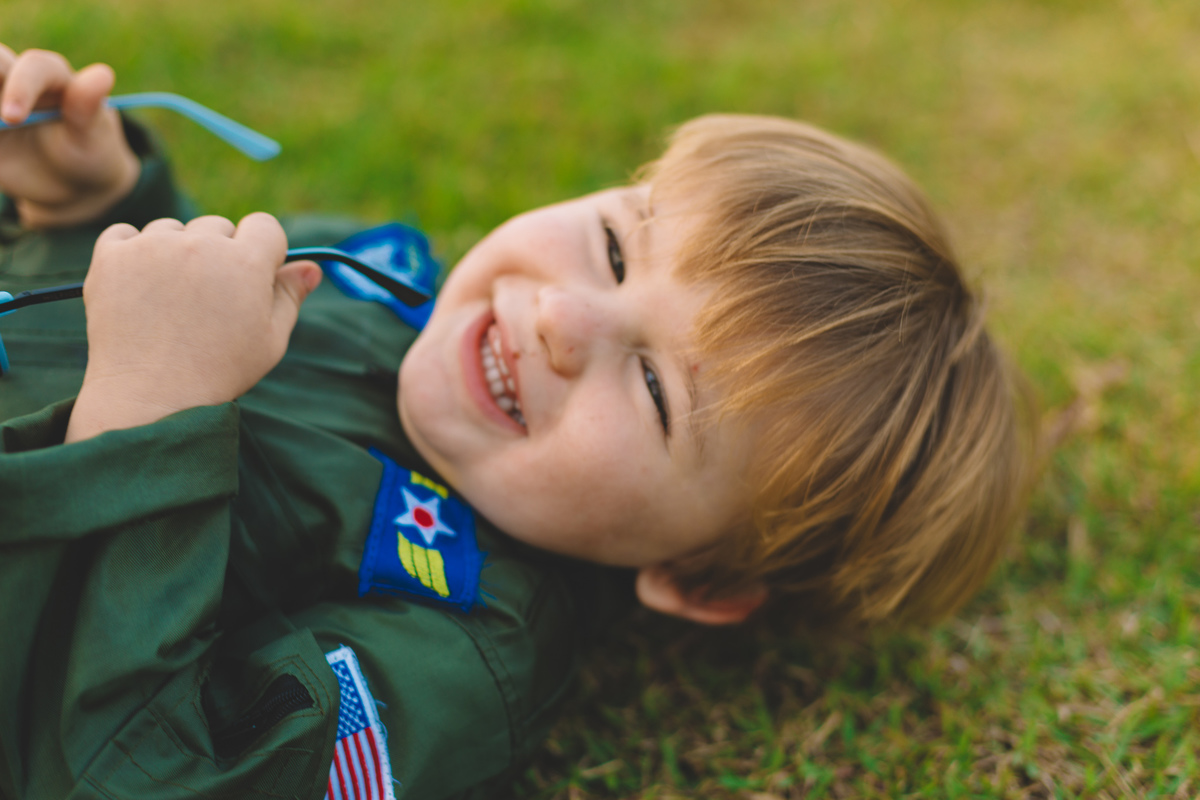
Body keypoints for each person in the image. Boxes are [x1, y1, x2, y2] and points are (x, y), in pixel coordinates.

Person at [0, 45, 1032, 800]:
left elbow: (146, 772)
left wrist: (154, 411)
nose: (562, 317)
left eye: (661, 392)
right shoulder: (376, 279)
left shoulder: (470, 650)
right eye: (620, 250)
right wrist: (94, 208)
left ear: (699, 578)